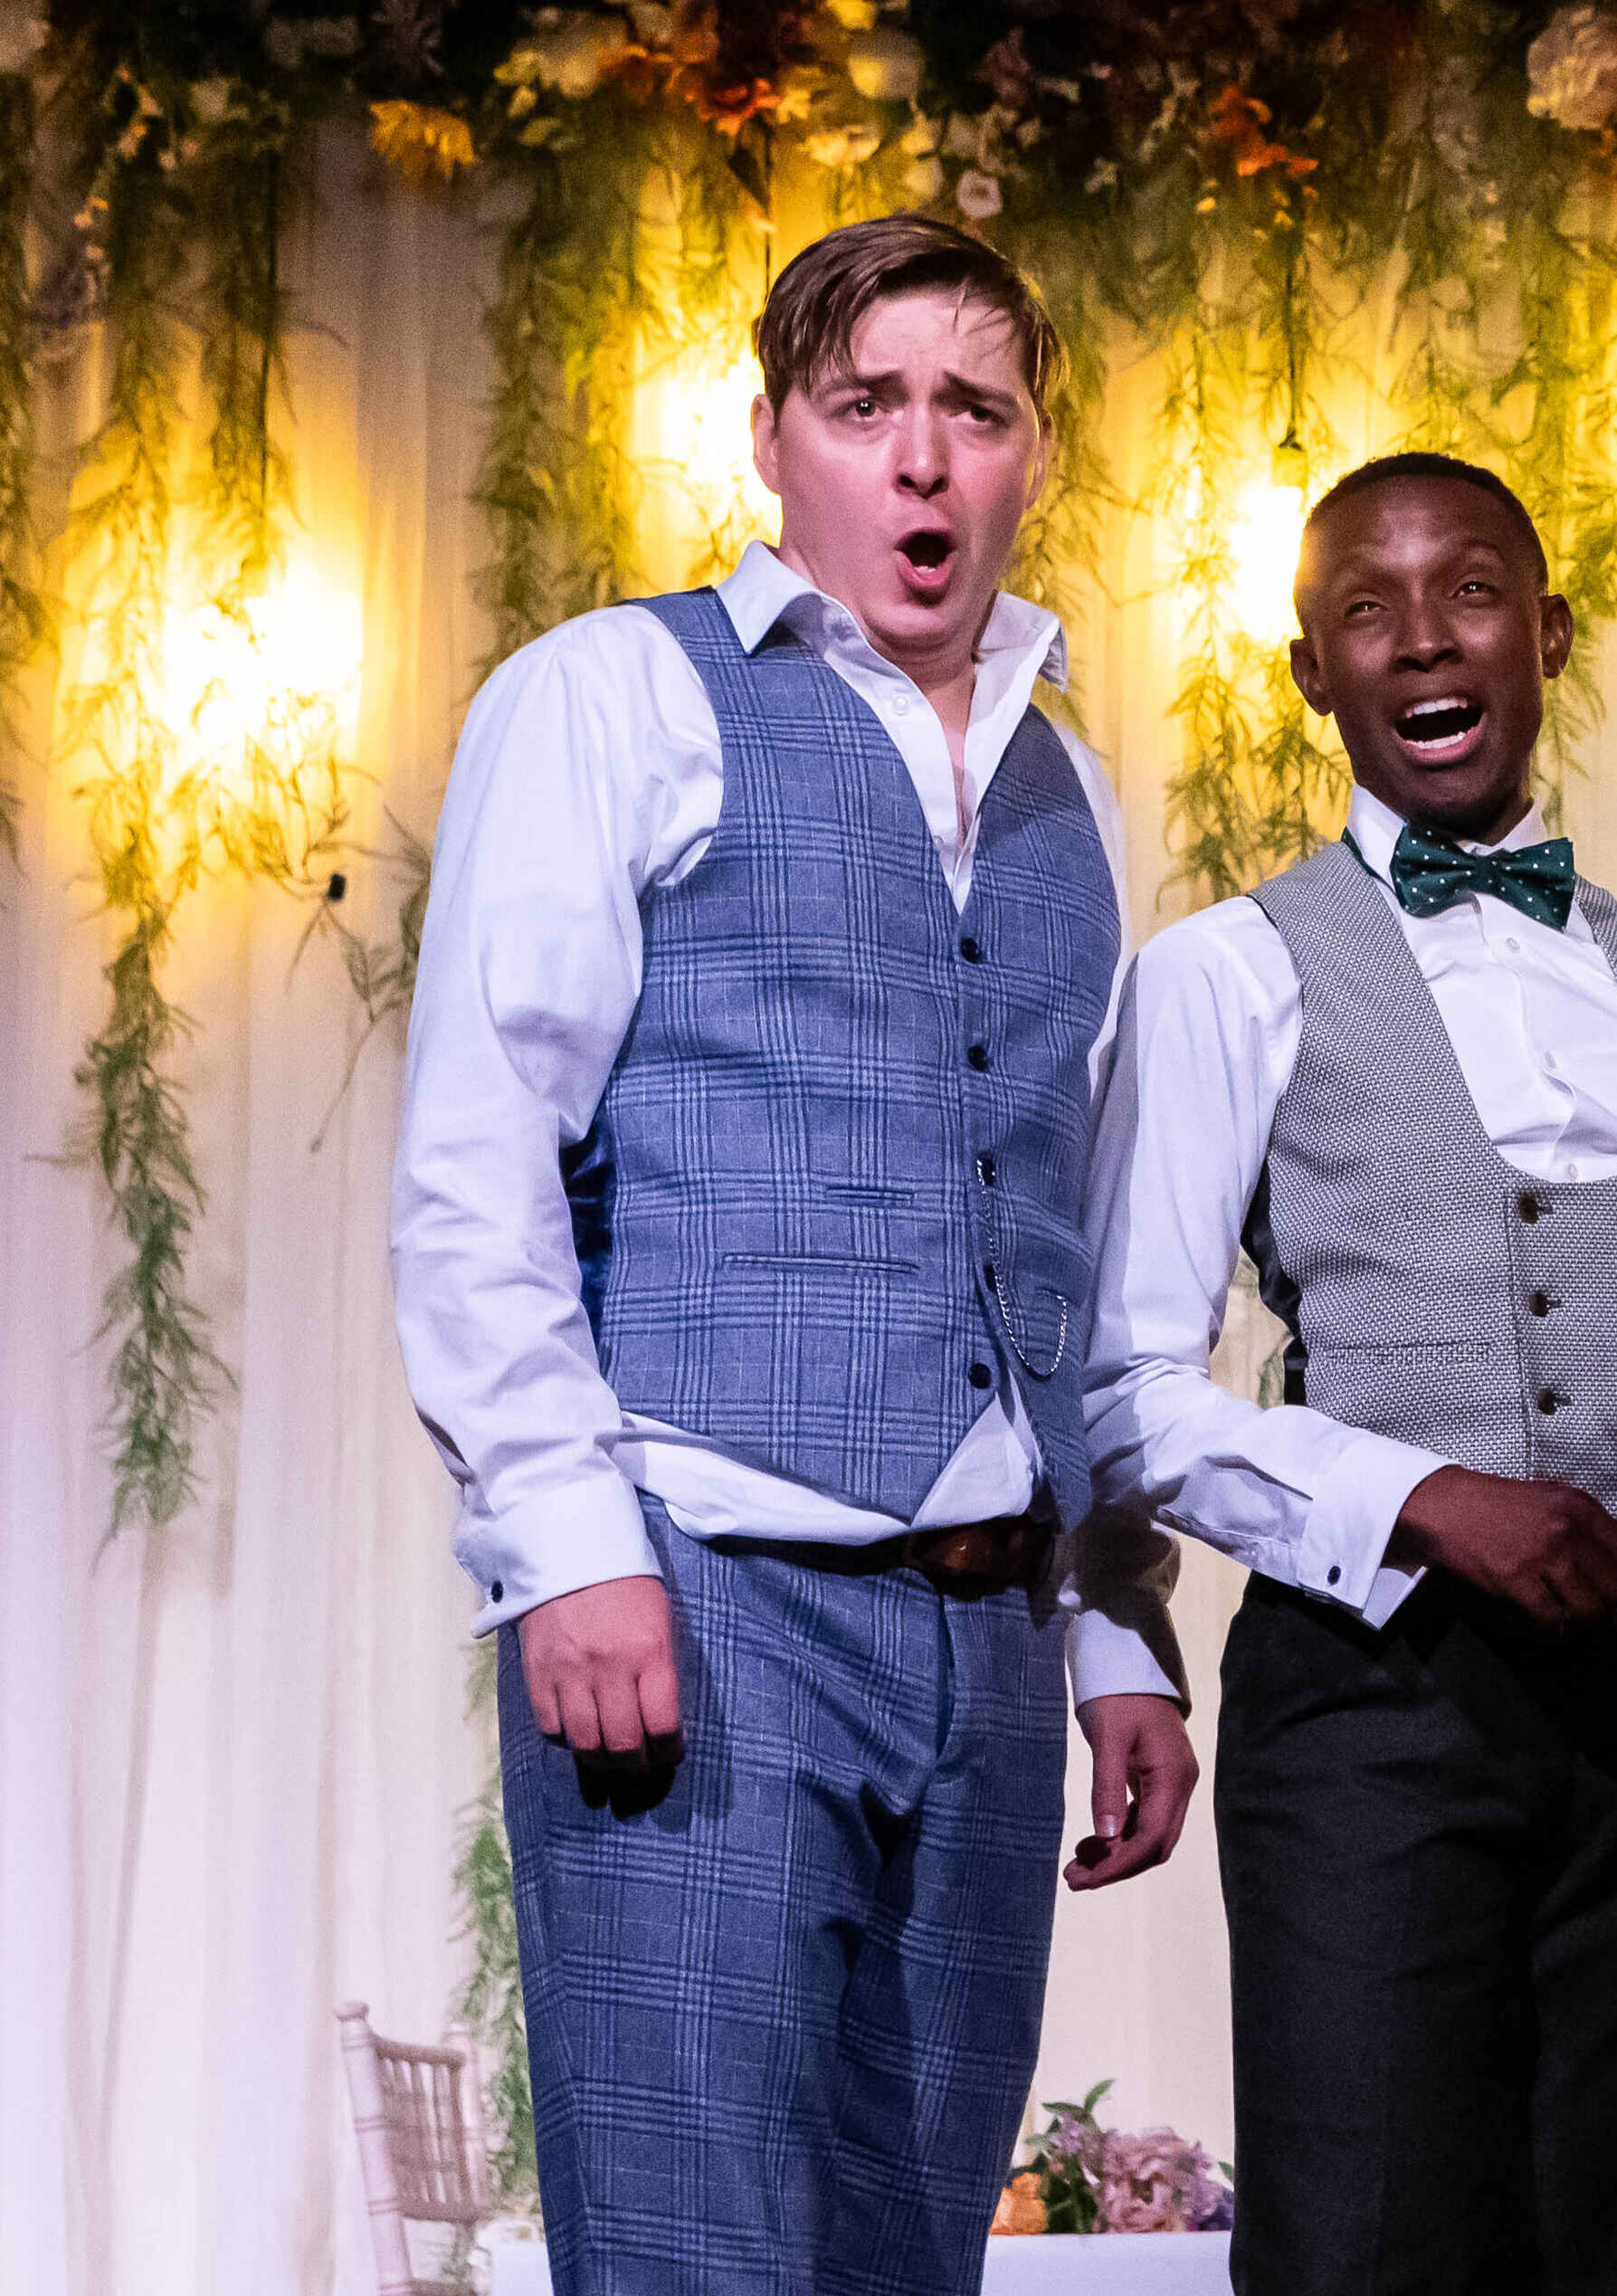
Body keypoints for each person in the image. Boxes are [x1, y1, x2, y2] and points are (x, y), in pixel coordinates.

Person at [393, 214, 1194, 2292]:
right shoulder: (611, 698)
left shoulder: (1064, 785)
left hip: (989, 1636)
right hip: (706, 1586)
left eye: (973, 411)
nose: (923, 461)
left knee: (905, 2259)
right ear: (773, 441)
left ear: (1030, 457)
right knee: (692, 2255)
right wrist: (566, 1542)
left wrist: (1108, 1625)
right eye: (868, 409)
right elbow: (482, 1151)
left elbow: (1068, 1252)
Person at [1079, 450, 1617, 2295]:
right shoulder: (1224, 974)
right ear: (1310, 675)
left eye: (1471, 590)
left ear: (1549, 633)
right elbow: (1117, 1388)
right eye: (1366, 605)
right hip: (1373, 1712)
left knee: (1602, 2255)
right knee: (1362, 2252)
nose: (1423, 637)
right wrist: (1420, 1498)